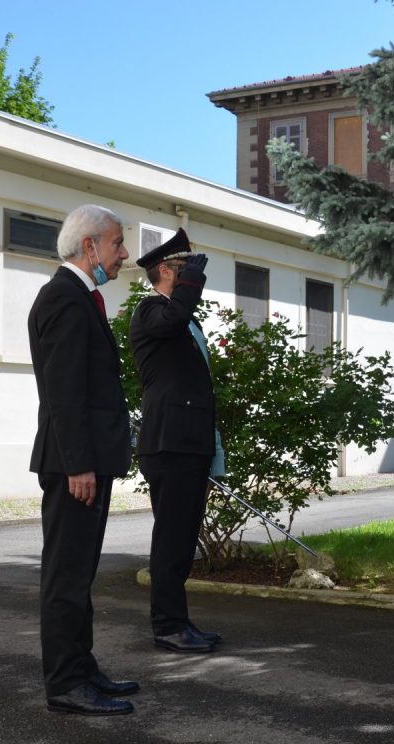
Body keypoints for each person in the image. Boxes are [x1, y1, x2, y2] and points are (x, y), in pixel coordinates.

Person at [28, 204, 137, 717]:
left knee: (80, 573)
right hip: (75, 464)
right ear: (89, 245)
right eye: (118, 243)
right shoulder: (64, 299)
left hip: (86, 459)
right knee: (66, 576)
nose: (125, 254)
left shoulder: (80, 297)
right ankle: (66, 683)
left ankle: (82, 667)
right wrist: (77, 465)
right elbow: (64, 391)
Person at [129, 230, 226, 655]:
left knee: (184, 539)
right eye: (185, 270)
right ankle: (167, 625)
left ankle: (179, 621)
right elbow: (173, 318)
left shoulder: (182, 319)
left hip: (190, 444)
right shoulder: (151, 311)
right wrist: (191, 286)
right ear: (165, 271)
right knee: (171, 540)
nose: (194, 278)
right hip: (169, 445)